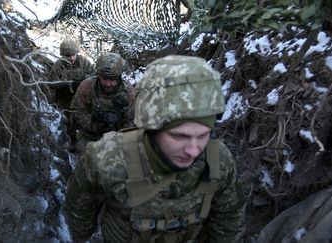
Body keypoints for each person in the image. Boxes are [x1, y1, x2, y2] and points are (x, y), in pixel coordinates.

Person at [65, 55, 246, 242]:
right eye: (179, 136)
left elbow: (229, 221)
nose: (193, 150)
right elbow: (80, 213)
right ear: (151, 127)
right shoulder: (106, 159)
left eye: (203, 135)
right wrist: (95, 126)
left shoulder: (218, 160)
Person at [70, 52, 136, 154]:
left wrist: (117, 137)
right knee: (85, 154)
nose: (108, 84)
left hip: (117, 136)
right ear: (98, 75)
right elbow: (78, 112)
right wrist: (96, 125)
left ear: (119, 77)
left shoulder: (128, 92)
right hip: (90, 134)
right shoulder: (86, 87)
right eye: (104, 79)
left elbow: (131, 121)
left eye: (112, 79)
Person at [48, 38, 96, 149]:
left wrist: (83, 81)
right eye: (68, 56)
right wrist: (66, 83)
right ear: (63, 55)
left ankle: (88, 139)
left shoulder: (83, 62)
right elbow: (52, 83)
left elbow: (93, 75)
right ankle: (73, 141)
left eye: (74, 55)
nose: (72, 58)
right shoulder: (57, 66)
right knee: (69, 121)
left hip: (83, 97)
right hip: (66, 98)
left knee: (86, 117)